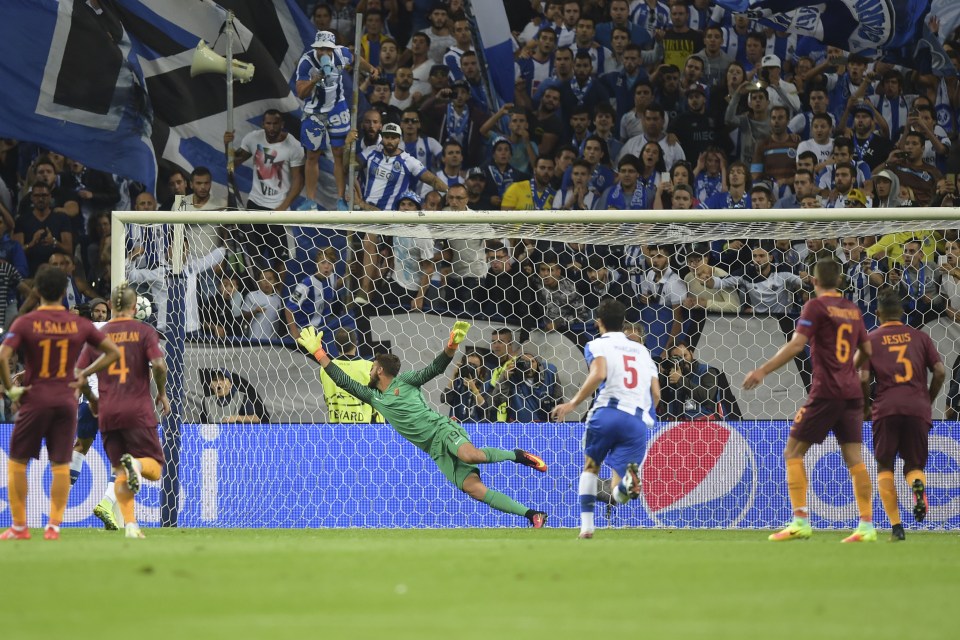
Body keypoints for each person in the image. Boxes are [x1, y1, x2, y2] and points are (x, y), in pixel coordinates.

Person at [296, 321, 550, 527]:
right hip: (434, 449)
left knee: (471, 455)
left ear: (381, 370)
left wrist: (451, 347)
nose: (370, 371)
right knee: (474, 489)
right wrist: (319, 353)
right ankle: (532, 515)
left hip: (443, 429)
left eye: (372, 367)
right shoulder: (374, 397)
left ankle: (517, 455)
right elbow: (343, 380)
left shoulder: (405, 381)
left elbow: (433, 370)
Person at [743, 259, 875, 543]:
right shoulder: (852, 309)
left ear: (814, 282)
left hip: (826, 391)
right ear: (839, 281)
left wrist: (762, 370)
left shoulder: (815, 306)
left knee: (793, 452)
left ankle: (800, 520)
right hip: (851, 392)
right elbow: (867, 348)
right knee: (854, 458)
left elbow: (796, 345)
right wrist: (849, 369)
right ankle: (866, 525)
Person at [0, 264, 120, 541]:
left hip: (35, 399)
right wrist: (83, 378)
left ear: (38, 291)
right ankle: (54, 526)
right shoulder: (79, 324)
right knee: (61, 464)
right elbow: (112, 352)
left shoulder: (25, 323)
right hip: (66, 401)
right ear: (64, 293)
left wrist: (11, 391)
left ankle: (19, 526)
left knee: (18, 462)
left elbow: (3, 355)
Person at [550, 298, 660, 539]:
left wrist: (572, 403)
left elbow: (599, 373)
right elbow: (656, 393)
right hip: (636, 422)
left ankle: (587, 527)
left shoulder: (596, 345)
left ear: (598, 322)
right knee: (617, 489)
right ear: (623, 323)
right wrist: (647, 417)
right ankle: (627, 485)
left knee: (590, 468)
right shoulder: (642, 351)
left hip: (607, 414)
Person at [77, 284, 170, 539]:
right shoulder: (144, 332)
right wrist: (161, 393)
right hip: (137, 410)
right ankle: (138, 465)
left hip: (108, 412)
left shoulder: (101, 334)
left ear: (110, 305)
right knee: (154, 468)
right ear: (134, 306)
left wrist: (93, 400)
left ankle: (130, 525)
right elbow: (159, 365)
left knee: (120, 470)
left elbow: (79, 374)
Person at [861, 289, 945, 541]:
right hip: (917, 407)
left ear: (877, 314)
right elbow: (940, 372)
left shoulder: (871, 339)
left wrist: (866, 406)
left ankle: (897, 527)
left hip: (886, 408)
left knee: (885, 466)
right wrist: (926, 401)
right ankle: (916, 486)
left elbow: (863, 377)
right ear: (903, 313)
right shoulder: (920, 337)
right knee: (914, 465)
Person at [296, 30, 378, 209]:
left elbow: (357, 59)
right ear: (316, 48)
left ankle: (342, 198)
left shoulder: (342, 54)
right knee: (312, 156)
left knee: (340, 154)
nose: (324, 53)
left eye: (328, 49)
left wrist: (371, 68)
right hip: (315, 110)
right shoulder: (306, 62)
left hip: (337, 107)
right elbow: (301, 93)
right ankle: (311, 201)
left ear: (333, 49)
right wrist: (314, 80)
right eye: (321, 49)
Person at [318, 328, 382, 423]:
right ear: (355, 343)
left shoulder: (325, 369)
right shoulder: (369, 366)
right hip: (366, 430)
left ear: (335, 345)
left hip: (337, 429)